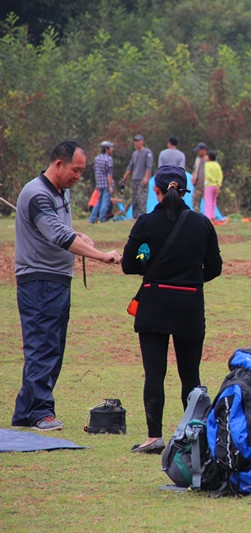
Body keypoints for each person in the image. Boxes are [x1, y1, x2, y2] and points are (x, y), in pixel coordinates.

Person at [12, 141, 121, 431]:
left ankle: (25, 411)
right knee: (42, 347)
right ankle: (40, 412)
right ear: (58, 164)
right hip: (39, 281)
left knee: (52, 347)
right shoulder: (37, 194)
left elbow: (59, 230)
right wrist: (100, 256)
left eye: (82, 171)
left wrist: (78, 235)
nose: (78, 176)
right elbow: (58, 236)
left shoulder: (61, 191)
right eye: (76, 170)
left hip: (57, 279)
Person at [121, 164, 222, 454]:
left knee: (154, 373)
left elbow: (129, 265)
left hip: (153, 303)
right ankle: (193, 438)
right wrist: (190, 279)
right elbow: (214, 268)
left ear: (157, 191)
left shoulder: (145, 223)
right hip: (189, 304)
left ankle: (154, 437)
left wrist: (148, 265)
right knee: (190, 375)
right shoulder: (203, 224)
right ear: (186, 190)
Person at [121, 134, 153, 218]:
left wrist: (146, 177)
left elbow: (149, 166)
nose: (136, 143)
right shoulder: (134, 154)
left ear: (142, 142)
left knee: (141, 199)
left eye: (138, 141)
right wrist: (124, 178)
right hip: (134, 179)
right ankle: (135, 217)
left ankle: (144, 216)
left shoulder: (147, 152)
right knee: (134, 199)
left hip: (142, 179)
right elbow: (130, 167)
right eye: (135, 141)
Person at [89, 141, 114, 224]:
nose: (112, 149)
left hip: (99, 183)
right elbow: (109, 174)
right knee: (105, 201)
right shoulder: (109, 159)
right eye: (111, 147)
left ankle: (92, 219)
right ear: (107, 149)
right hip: (106, 183)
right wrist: (110, 186)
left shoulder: (97, 158)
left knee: (98, 201)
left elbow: (96, 171)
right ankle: (102, 218)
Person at [203, 150, 223, 220]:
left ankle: (208, 217)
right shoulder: (217, 165)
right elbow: (220, 175)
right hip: (216, 186)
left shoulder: (207, 165)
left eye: (206, 155)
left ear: (209, 157)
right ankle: (213, 216)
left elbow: (208, 175)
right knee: (213, 202)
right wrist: (218, 184)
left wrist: (214, 180)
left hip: (209, 185)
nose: (205, 157)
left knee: (208, 201)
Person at [191, 142, 207, 213]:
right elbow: (195, 169)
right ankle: (197, 215)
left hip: (206, 184)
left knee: (208, 202)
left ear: (204, 150)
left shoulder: (209, 159)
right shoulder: (197, 159)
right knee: (195, 201)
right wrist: (193, 177)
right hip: (197, 185)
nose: (198, 152)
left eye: (199, 151)